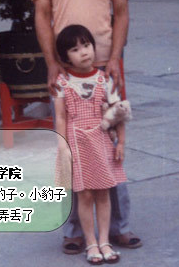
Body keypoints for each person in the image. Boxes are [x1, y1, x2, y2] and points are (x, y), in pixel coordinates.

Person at [32, 0, 142, 253]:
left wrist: (114, 58)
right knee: (71, 149)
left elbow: (121, 12)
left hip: (106, 71)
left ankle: (120, 228)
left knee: (111, 148)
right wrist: (51, 64)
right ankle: (75, 233)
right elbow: (42, 15)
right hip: (65, 74)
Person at [55, 24, 126, 264]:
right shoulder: (62, 83)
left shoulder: (104, 79)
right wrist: (63, 147)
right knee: (84, 195)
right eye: (75, 49)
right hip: (76, 143)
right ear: (66, 57)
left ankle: (105, 240)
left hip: (101, 142)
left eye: (86, 45)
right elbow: (61, 117)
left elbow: (119, 113)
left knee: (103, 192)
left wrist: (121, 143)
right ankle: (91, 243)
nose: (83, 52)